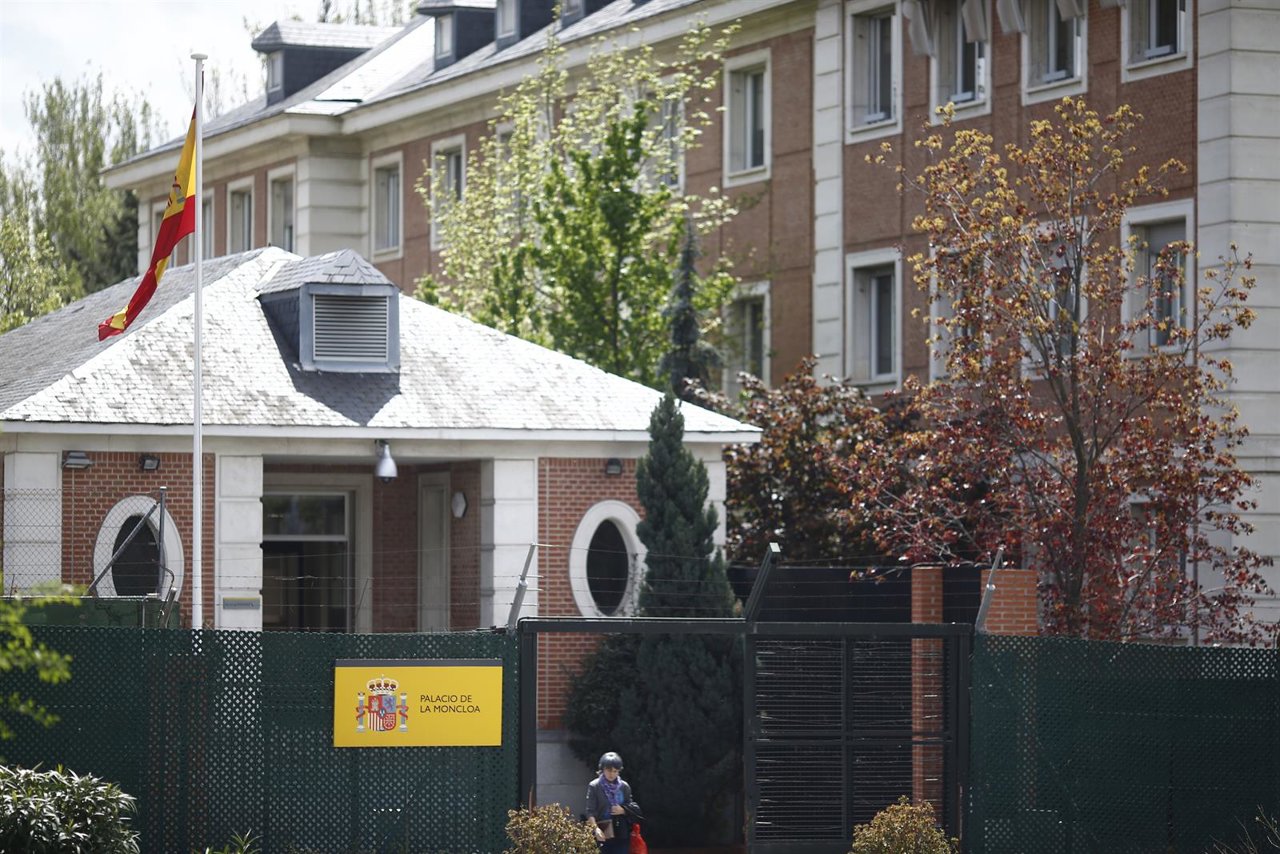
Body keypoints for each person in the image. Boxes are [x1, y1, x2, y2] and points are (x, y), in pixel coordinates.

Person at [585, 751, 631, 851]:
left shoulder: (624, 786)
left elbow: (631, 807)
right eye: (609, 770)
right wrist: (595, 829)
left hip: (621, 833)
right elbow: (590, 811)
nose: (612, 774)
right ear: (603, 770)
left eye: (615, 771)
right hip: (602, 832)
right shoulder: (595, 786)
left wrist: (623, 810)